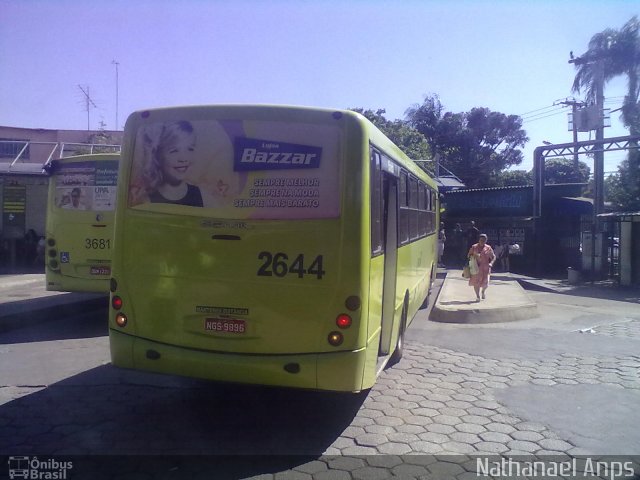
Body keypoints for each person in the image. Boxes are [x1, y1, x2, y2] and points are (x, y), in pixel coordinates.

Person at [143, 121, 204, 207]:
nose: (183, 159)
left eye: (190, 149)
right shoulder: (146, 200)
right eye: (174, 151)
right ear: (158, 155)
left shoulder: (202, 196)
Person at [467, 233, 496, 301]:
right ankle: (477, 296)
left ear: (486, 240)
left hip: (486, 268)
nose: (482, 241)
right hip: (476, 268)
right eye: (481, 240)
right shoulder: (474, 247)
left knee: (486, 283)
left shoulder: (488, 248)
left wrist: (491, 263)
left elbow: (494, 257)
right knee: (476, 283)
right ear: (479, 240)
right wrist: (475, 255)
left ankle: (483, 291)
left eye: (484, 240)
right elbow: (468, 256)